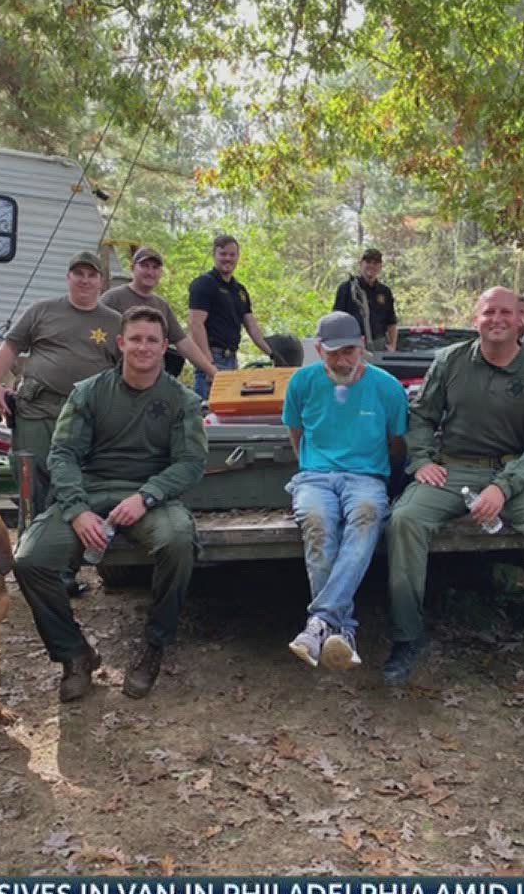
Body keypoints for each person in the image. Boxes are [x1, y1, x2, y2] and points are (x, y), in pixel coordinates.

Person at [12, 307, 208, 701]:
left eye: (153, 340)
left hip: (149, 497)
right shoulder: (88, 392)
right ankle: (74, 654)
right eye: (135, 338)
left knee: (178, 541)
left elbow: (190, 463)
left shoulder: (181, 400)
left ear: (165, 346)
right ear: (120, 343)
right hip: (90, 492)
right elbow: (63, 454)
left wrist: (147, 496)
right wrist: (77, 509)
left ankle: (154, 646)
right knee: (30, 560)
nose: (143, 347)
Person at [383, 287, 524, 687]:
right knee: (404, 519)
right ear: (477, 318)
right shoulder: (449, 361)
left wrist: (504, 488)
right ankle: (406, 638)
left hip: (516, 475)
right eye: (489, 311)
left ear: (521, 320)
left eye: (506, 312)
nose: (497, 319)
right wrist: (420, 461)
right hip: (452, 470)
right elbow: (420, 416)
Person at [282, 311, 410, 670]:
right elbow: (296, 433)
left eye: (349, 351)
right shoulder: (301, 382)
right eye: (334, 352)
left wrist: (373, 471)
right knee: (316, 521)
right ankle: (344, 630)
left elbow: (397, 444)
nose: (342, 360)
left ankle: (319, 624)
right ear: (319, 350)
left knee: (367, 514)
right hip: (315, 475)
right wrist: (314, 466)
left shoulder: (387, 386)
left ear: (363, 347)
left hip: (366, 477)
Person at [0, 251, 122, 526]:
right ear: (68, 277)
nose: (85, 280)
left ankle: (65, 556)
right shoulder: (42, 310)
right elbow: (10, 347)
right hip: (37, 411)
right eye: (79, 274)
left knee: (77, 484)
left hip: (88, 415)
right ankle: (29, 551)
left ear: (101, 282)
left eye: (91, 275)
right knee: (32, 483)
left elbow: (127, 369)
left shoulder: (115, 321)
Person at [102, 244, 220, 383]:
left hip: (155, 382)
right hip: (121, 381)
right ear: (132, 268)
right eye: (144, 266)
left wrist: (212, 371)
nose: (150, 272)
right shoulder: (112, 299)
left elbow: (182, 342)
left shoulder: (161, 305)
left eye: (155, 267)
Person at [187, 234, 276, 399]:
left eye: (232, 254)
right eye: (223, 254)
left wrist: (272, 354)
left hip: (232, 359)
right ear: (214, 255)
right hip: (212, 357)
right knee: (209, 411)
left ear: (238, 257)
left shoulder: (239, 291)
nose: (227, 258)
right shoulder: (204, 284)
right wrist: (208, 365)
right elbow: (195, 324)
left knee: (228, 409)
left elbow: (251, 327)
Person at [332, 247, 399, 351]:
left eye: (375, 263)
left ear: (380, 266)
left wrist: (392, 346)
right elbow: (336, 319)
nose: (371, 266)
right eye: (368, 262)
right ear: (360, 264)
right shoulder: (347, 288)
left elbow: (392, 322)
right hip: (352, 344)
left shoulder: (385, 291)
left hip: (379, 345)